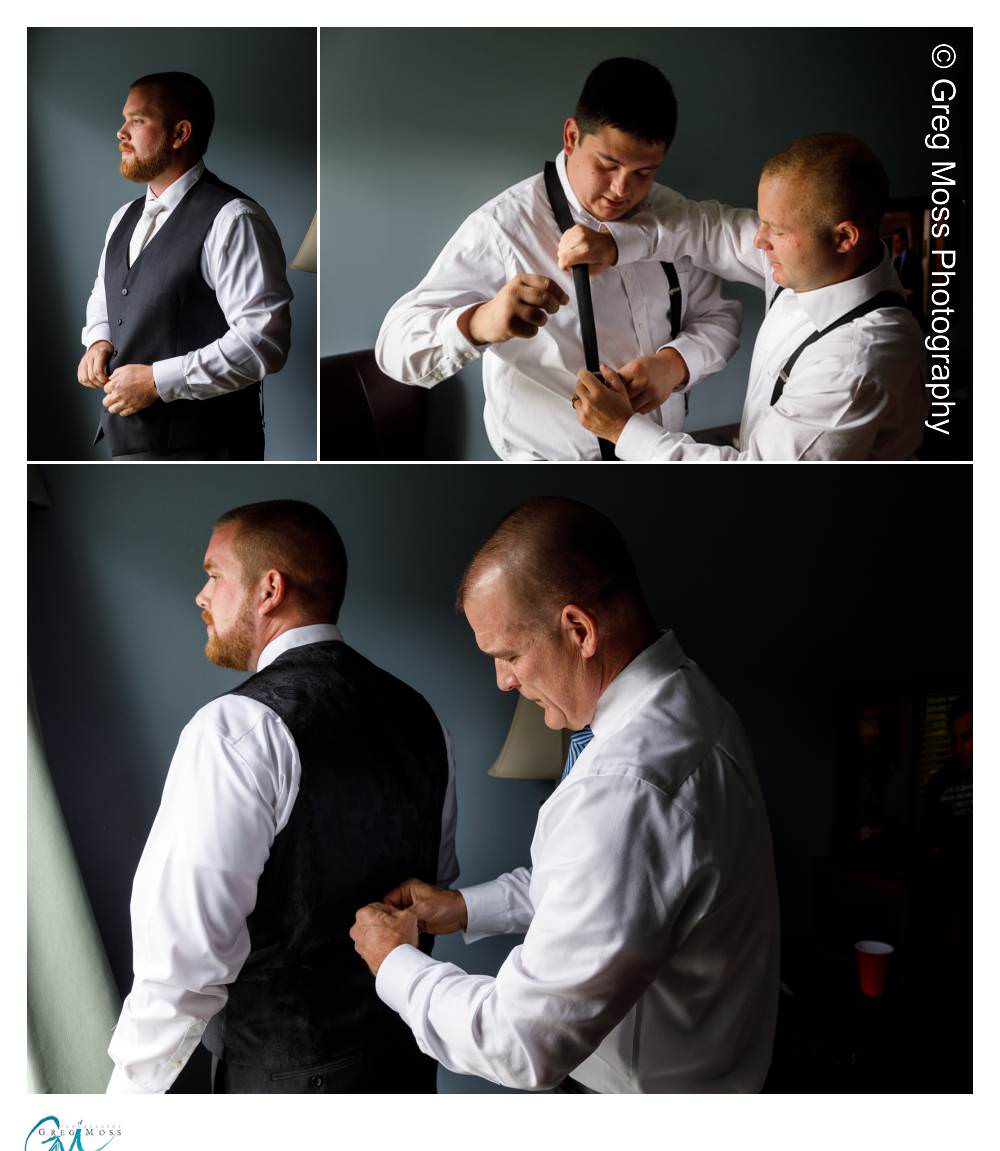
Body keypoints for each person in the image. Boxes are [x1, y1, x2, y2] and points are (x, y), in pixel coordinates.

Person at [350, 497, 780, 1093]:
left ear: (579, 630)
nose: (503, 681)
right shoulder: (686, 694)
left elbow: (519, 1042)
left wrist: (395, 961)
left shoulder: (625, 789)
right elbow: (610, 886)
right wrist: (463, 907)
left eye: (509, 655)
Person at [106, 500, 458, 1093]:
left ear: (269, 589)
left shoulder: (234, 730)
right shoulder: (422, 716)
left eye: (214, 574)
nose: (200, 595)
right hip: (405, 1068)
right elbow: (434, 894)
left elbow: (180, 967)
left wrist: (117, 1115)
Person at [375, 59, 741, 461]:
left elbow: (718, 317)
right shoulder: (504, 229)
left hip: (660, 455)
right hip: (550, 471)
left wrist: (674, 365)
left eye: (644, 173)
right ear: (571, 137)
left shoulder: (673, 214)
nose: (622, 189)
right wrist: (481, 322)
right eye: (608, 165)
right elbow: (395, 350)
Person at [564, 133, 927, 460]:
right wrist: (615, 244)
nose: (759, 240)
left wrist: (622, 430)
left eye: (777, 230)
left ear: (844, 238)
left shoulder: (855, 365)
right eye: (762, 221)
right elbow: (710, 229)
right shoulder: (818, 264)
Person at [78, 72, 293, 460]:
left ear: (179, 134)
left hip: (208, 449)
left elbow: (262, 342)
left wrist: (157, 381)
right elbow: (105, 296)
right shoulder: (122, 218)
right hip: (128, 445)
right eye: (125, 120)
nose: (121, 133)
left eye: (137, 121)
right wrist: (98, 338)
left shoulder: (233, 219)